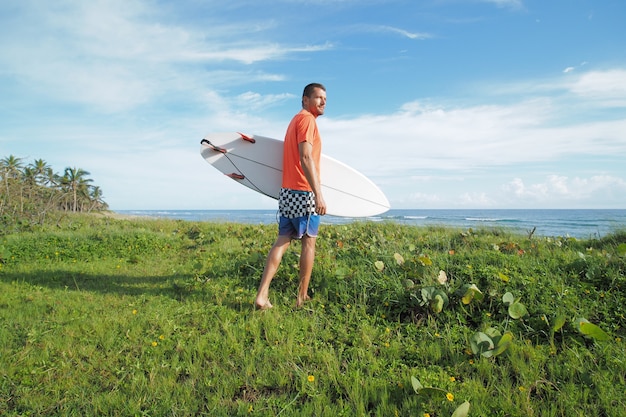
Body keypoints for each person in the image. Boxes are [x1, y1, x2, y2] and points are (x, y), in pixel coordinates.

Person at [255, 83, 328, 309]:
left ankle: (262, 295)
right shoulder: (307, 120)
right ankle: (301, 297)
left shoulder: (294, 121)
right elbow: (306, 158)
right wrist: (318, 194)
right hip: (303, 192)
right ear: (305, 100)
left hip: (286, 192)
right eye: (318, 97)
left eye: (325, 98)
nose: (323, 101)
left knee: (282, 241)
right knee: (309, 243)